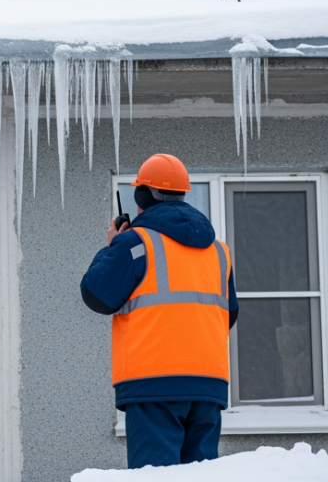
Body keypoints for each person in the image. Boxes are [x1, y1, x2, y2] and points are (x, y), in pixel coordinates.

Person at [80, 153, 239, 469]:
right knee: (201, 476)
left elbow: (96, 294)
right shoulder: (219, 251)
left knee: (155, 476)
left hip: (153, 384)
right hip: (208, 386)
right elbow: (229, 314)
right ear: (183, 194)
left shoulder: (135, 244)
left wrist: (113, 245)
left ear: (141, 197)